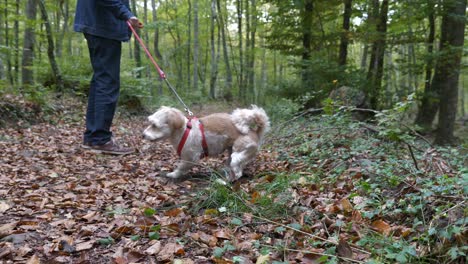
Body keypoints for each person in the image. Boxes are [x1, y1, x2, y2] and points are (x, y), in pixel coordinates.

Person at [74, 0, 142, 155]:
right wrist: (126, 14)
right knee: (107, 82)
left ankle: (93, 138)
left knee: (100, 81)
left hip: (97, 25)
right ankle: (100, 139)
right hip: (103, 26)